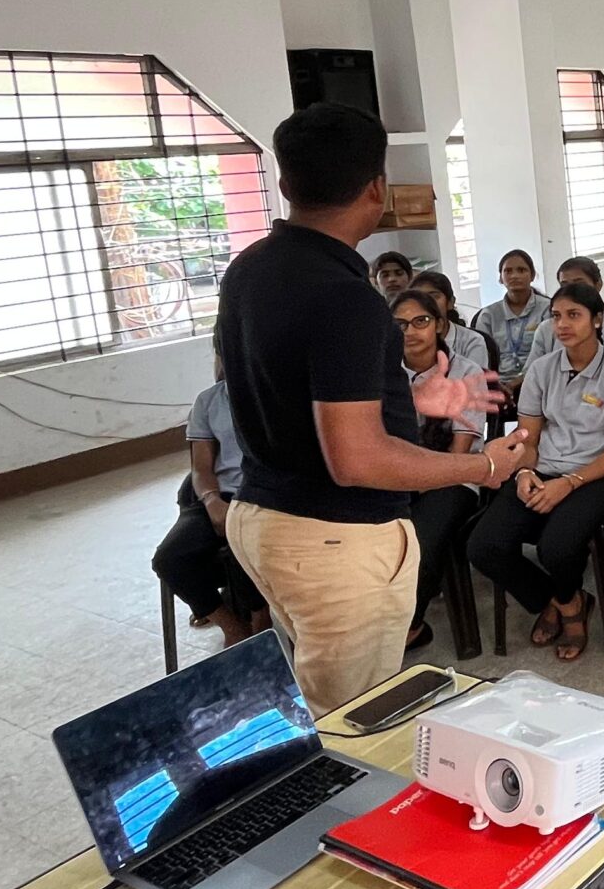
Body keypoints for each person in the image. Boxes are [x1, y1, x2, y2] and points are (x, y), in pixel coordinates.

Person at [217, 104, 501, 713]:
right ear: (377, 189)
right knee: (352, 720)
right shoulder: (346, 298)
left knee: (323, 696)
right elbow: (356, 459)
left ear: (285, 183)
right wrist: (483, 466)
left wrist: (406, 399)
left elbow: (290, 392)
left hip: (262, 516)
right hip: (333, 539)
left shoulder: (249, 269)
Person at [466, 280, 604, 663]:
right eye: (556, 316)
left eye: (574, 315)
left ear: (598, 320)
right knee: (483, 546)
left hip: (600, 475)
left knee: (557, 547)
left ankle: (568, 608)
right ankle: (564, 600)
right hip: (542, 469)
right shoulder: (542, 370)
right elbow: (527, 438)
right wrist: (523, 473)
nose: (562, 324)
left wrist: (570, 482)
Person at [391, 288, 487, 645]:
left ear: (440, 325)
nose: (410, 331)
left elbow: (460, 453)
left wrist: (418, 480)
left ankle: (408, 627)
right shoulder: (383, 374)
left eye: (421, 321)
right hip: (399, 476)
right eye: (400, 324)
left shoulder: (466, 372)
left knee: (420, 541)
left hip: (456, 476)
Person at [151, 349, 265, 646]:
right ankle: (233, 628)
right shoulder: (209, 401)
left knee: (245, 546)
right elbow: (201, 469)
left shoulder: (276, 393)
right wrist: (213, 501)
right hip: (220, 495)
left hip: (264, 495)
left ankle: (262, 624)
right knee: (169, 559)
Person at [473, 249, 548, 409]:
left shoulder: (547, 309)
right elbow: (481, 357)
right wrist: (496, 384)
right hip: (497, 384)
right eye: (508, 271)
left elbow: (549, 354)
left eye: (521, 270)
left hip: (539, 381)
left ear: (532, 275)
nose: (514, 276)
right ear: (500, 278)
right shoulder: (488, 315)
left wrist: (516, 383)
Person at [408, 268, 491, 374]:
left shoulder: (472, 341)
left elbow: (474, 381)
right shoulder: (406, 341)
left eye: (434, 296)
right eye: (419, 298)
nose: (427, 303)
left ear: (450, 302)